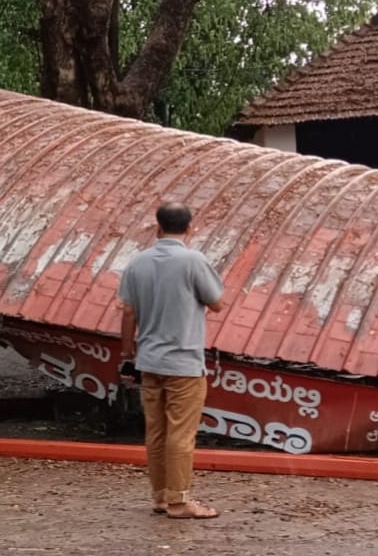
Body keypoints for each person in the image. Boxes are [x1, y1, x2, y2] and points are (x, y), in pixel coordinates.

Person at [118, 202, 225, 520]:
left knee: (156, 432)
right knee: (181, 434)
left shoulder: (137, 263)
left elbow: (128, 311)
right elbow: (217, 303)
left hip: (149, 362)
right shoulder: (194, 261)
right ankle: (179, 501)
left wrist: (127, 354)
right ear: (190, 228)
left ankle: (161, 496)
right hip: (184, 364)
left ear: (158, 227)